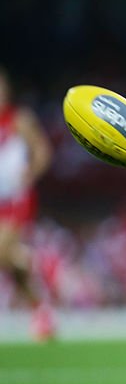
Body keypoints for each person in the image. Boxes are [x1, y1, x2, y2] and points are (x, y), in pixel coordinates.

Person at [0, 68, 53, 340]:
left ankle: (26, 260)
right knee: (8, 262)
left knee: (1, 251)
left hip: (17, 198)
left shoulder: (19, 120)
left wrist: (30, 173)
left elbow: (43, 150)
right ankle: (40, 308)